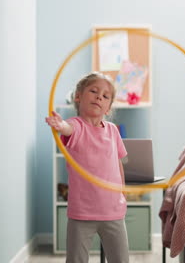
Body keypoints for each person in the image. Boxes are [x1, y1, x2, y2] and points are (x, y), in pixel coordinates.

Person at [45, 72, 129, 263]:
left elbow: (118, 164)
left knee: (120, 259)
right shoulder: (76, 126)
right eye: (93, 91)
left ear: (108, 108)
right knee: (76, 259)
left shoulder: (113, 131)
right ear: (78, 97)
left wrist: (122, 193)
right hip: (82, 212)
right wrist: (60, 125)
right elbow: (68, 128)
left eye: (106, 96)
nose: (99, 96)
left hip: (113, 210)